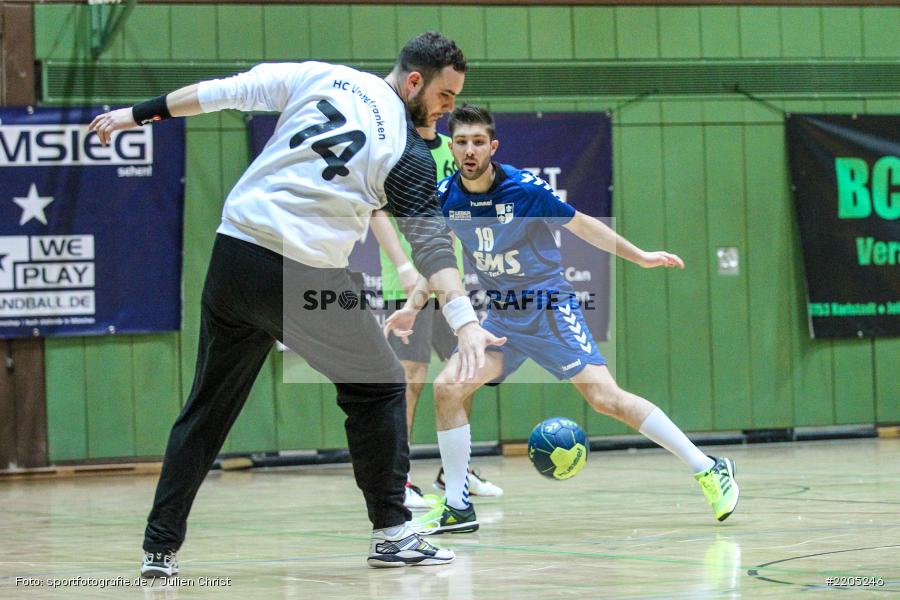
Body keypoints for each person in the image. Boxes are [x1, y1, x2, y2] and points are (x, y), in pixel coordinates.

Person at [89, 33, 507, 574]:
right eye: (445, 97)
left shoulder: (323, 74)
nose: (449, 110)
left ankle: (158, 549)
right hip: (298, 272)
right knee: (379, 386)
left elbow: (224, 92)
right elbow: (429, 242)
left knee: (208, 407)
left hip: (233, 255)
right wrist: (465, 321)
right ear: (413, 83)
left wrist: (137, 114)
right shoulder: (406, 152)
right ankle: (394, 533)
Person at [386, 104, 739, 534]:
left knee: (606, 399)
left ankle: (709, 467)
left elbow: (583, 225)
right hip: (502, 318)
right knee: (448, 388)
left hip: (550, 309)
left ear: (493, 146)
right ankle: (458, 506)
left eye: (478, 141)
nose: (470, 150)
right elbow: (436, 261)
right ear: (453, 147)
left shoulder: (523, 189)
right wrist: (413, 305)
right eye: (461, 142)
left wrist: (640, 257)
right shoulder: (447, 197)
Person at [369, 123, 503, 510]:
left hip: (449, 282)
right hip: (406, 281)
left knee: (465, 371)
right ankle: (400, 480)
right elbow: (377, 211)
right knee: (410, 380)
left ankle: (455, 475)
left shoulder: (454, 149)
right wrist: (404, 267)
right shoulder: (395, 148)